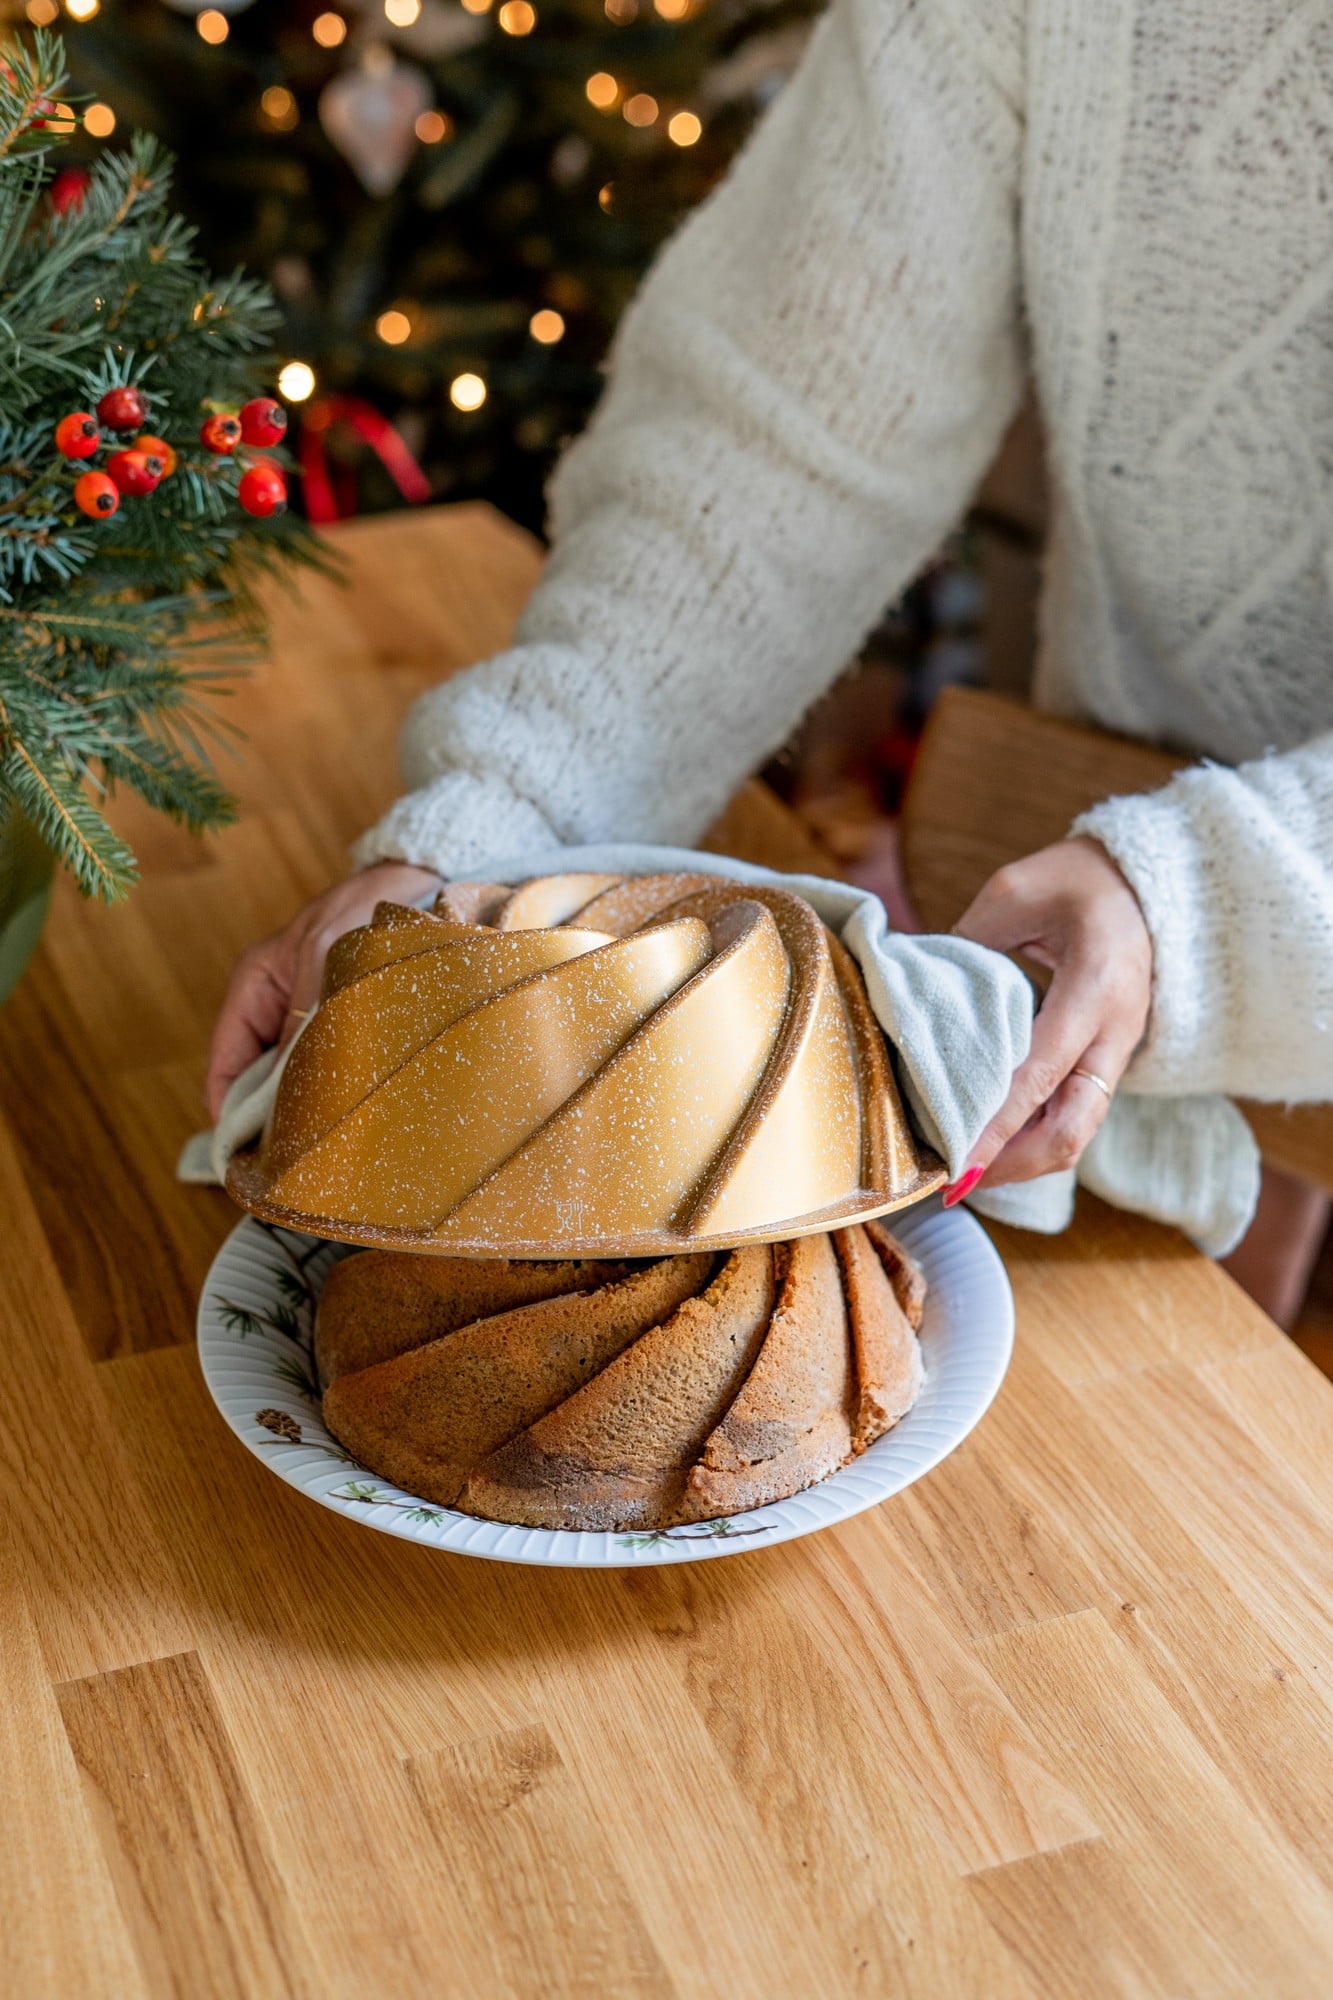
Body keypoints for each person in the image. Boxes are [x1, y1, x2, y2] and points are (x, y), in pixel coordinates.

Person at [208, 0, 1332, 1299]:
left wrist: (1205, 914)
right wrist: (496, 814)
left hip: (1200, 916)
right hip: (1119, 960)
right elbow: (776, 443)